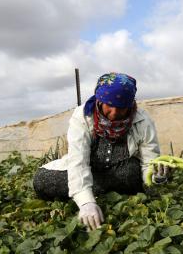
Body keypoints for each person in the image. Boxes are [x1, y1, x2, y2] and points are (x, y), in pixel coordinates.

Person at [33, 72, 171, 230]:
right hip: (91, 169)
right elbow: (78, 162)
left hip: (120, 170)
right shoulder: (82, 116)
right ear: (99, 100)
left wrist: (155, 177)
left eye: (121, 108)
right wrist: (86, 202)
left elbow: (149, 162)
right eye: (109, 105)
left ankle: (90, 190)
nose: (114, 113)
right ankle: (94, 193)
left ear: (130, 104)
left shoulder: (143, 121)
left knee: (132, 172)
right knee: (42, 179)